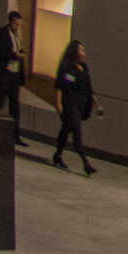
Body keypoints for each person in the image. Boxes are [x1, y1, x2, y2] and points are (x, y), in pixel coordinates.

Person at [52, 40, 101, 175]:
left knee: (66, 130)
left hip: (81, 105)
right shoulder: (68, 68)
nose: (84, 53)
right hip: (70, 103)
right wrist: (58, 103)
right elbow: (60, 85)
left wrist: (97, 104)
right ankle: (86, 163)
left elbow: (89, 88)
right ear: (75, 52)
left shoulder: (84, 68)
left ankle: (57, 155)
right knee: (76, 132)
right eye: (81, 50)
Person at [0, 10, 26, 143]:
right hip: (3, 74)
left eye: (19, 25)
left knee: (15, 106)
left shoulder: (17, 37)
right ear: (10, 21)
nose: (18, 27)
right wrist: (14, 55)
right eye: (16, 24)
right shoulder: (1, 33)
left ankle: (15, 136)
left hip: (14, 76)